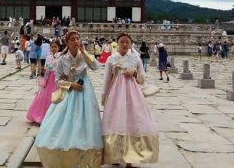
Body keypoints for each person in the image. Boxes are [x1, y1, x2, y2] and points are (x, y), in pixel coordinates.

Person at [35, 30, 102, 167]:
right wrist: (71, 84)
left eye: (78, 38)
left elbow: (95, 66)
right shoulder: (61, 59)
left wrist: (84, 52)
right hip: (69, 91)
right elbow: (58, 80)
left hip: (85, 91)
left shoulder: (84, 55)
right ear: (67, 42)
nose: (76, 41)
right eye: (73, 39)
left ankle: (85, 148)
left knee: (85, 117)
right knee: (64, 118)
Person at [102, 33, 158, 165]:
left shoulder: (136, 58)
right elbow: (106, 79)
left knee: (132, 122)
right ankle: (114, 155)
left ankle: (130, 160)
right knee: (115, 122)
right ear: (117, 43)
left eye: (127, 42)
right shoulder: (111, 59)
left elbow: (142, 79)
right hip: (116, 94)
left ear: (130, 44)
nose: (124, 44)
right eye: (122, 42)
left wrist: (133, 73)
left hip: (132, 95)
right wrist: (105, 96)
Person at [26, 40, 61, 124]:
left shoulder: (61, 56)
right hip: (49, 78)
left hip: (57, 78)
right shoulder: (48, 57)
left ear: (58, 47)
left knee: (56, 96)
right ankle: (42, 114)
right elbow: (45, 68)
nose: (53, 48)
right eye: (52, 47)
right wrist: (43, 78)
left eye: (55, 46)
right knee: (45, 96)